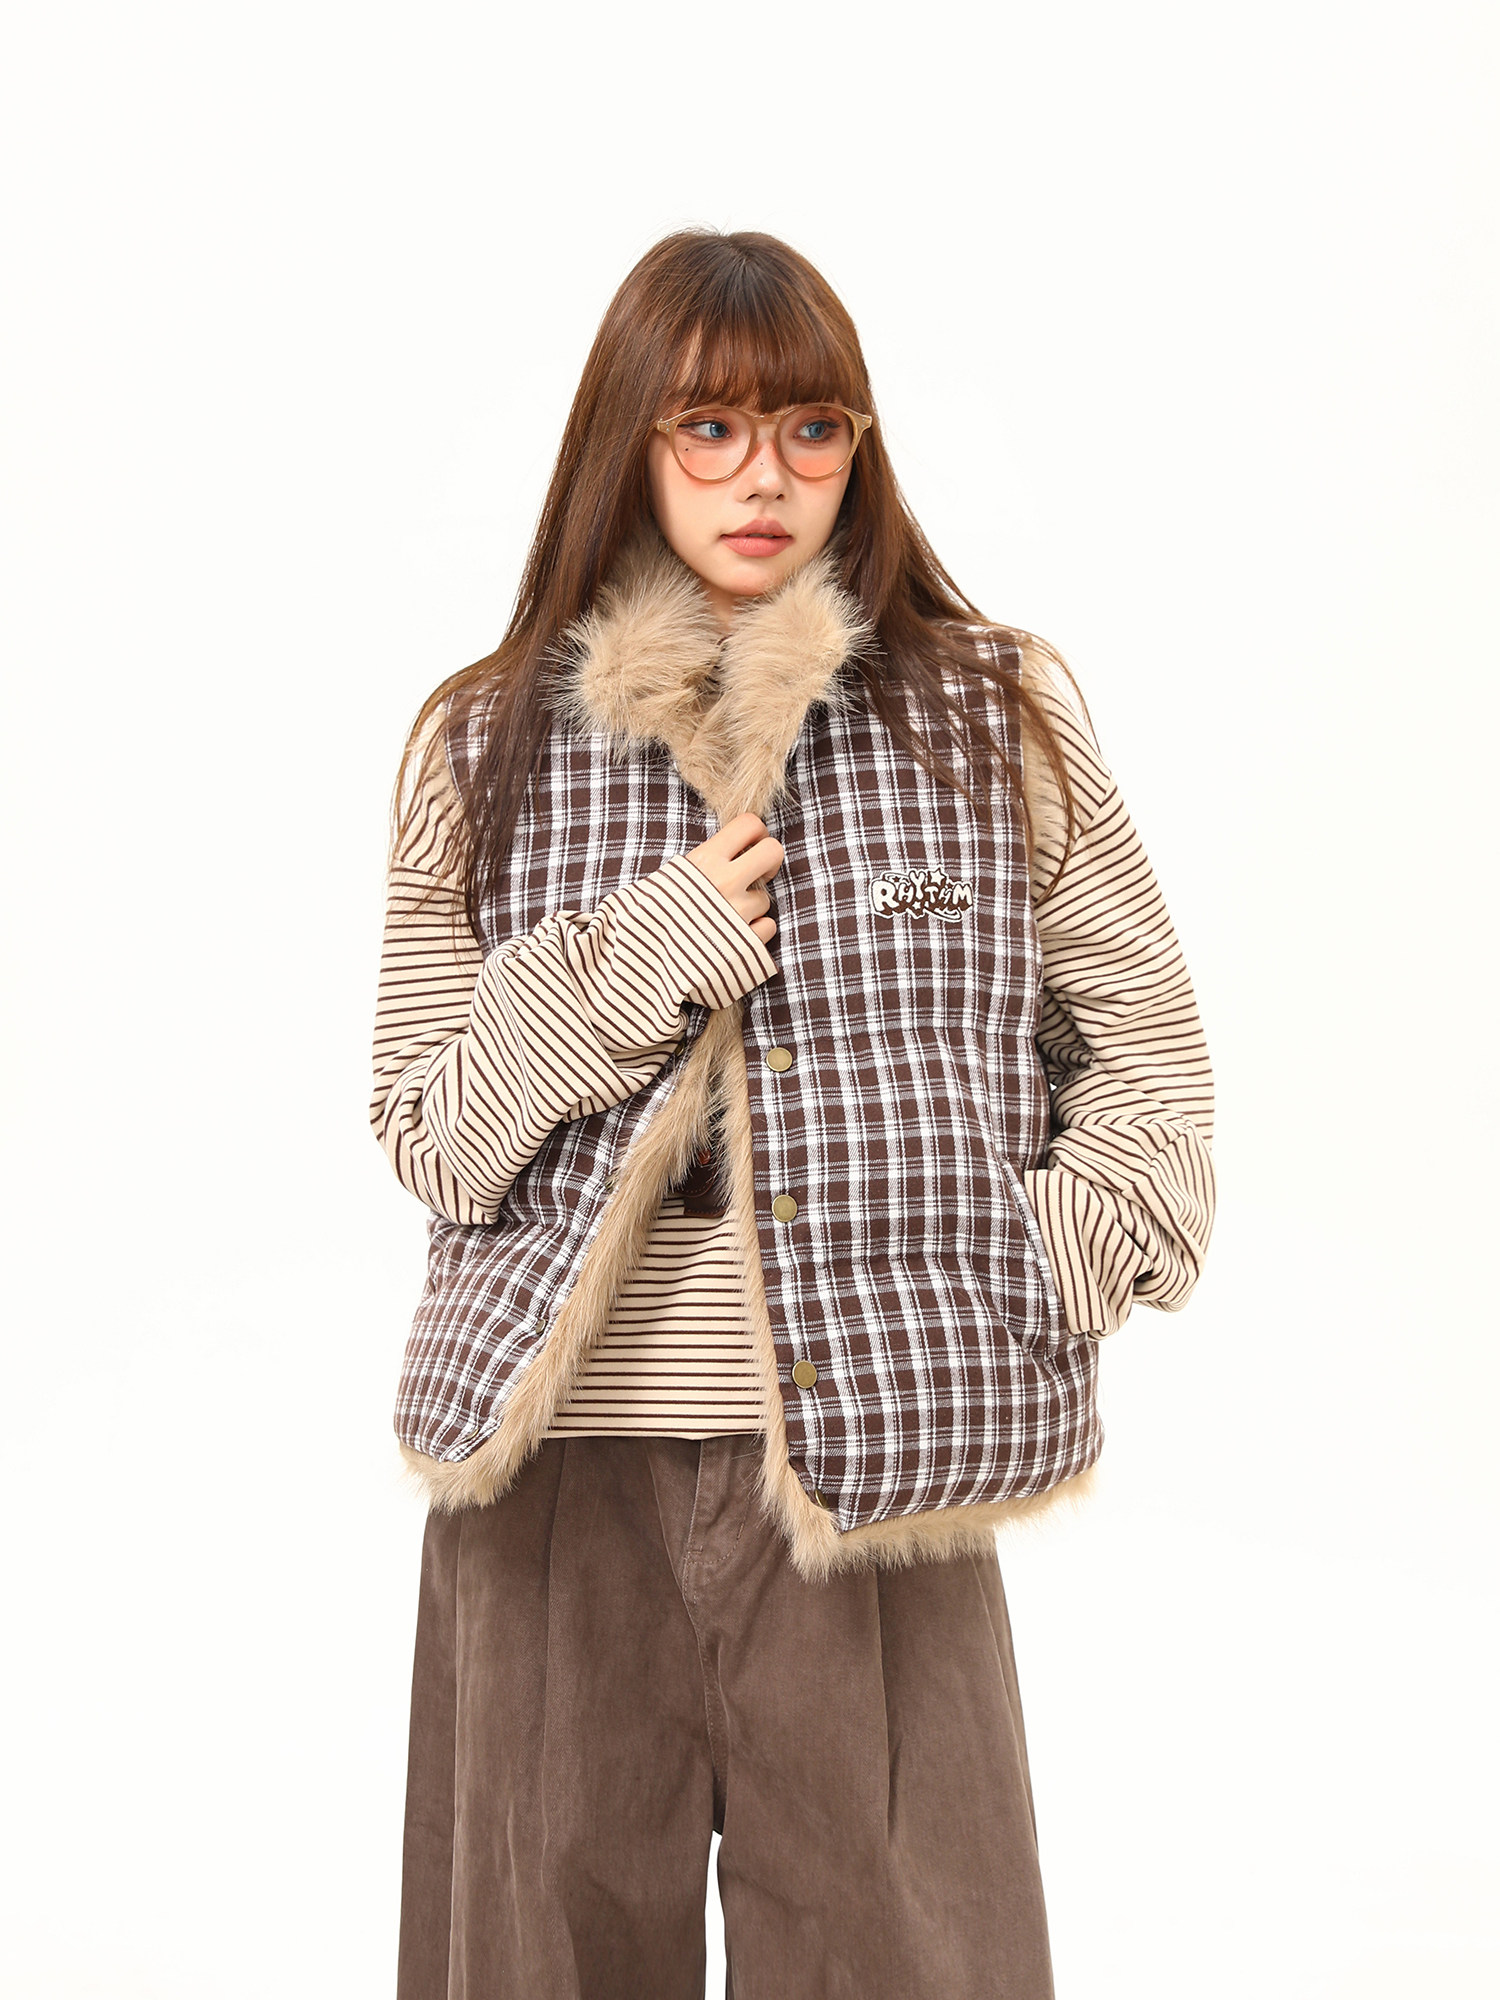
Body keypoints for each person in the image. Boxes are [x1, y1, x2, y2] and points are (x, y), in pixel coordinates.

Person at [369, 227, 1215, 2000]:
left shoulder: (990, 715)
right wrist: (640, 954)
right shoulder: (482, 741)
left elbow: (1147, 1056)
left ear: (858, 447)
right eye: (712, 429)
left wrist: (1023, 1269)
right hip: (550, 1480)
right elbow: (430, 1131)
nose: (767, 478)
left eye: (812, 429)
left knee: (914, 1962)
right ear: (628, 439)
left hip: (884, 1476)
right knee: (530, 1964)